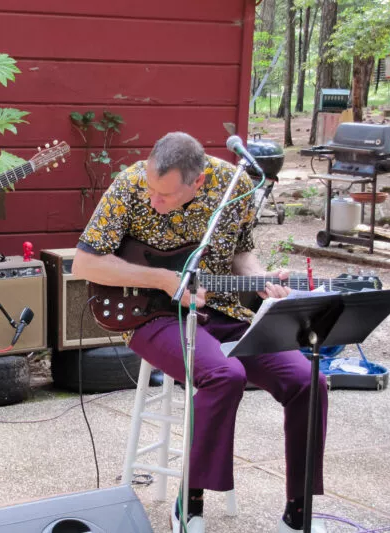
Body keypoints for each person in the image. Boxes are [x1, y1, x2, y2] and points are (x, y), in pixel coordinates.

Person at [72, 132, 328, 533]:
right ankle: (189, 500)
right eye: (152, 190)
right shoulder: (130, 185)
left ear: (199, 182)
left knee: (308, 381)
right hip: (148, 315)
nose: (155, 200)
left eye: (166, 195)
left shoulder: (235, 186)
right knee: (225, 375)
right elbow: (85, 265)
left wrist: (259, 279)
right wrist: (161, 279)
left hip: (221, 307)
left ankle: (299, 512)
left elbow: (240, 251)